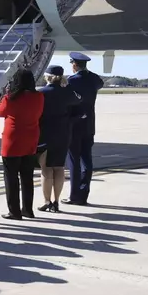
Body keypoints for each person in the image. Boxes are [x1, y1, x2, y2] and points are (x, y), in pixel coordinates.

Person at [0, 68, 44, 220]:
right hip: (30, 139)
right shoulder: (39, 97)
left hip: (13, 140)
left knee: (11, 177)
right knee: (27, 177)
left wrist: (6, 95)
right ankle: (27, 209)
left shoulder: (10, 98)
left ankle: (14, 211)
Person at [36, 65, 82, 213]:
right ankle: (56, 202)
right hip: (63, 134)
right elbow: (78, 101)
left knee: (46, 169)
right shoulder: (67, 93)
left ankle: (47, 201)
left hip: (45, 134)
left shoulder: (41, 93)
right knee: (59, 168)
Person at [63, 52, 104, 206]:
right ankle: (83, 193)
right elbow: (100, 83)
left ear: (74, 64)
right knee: (86, 159)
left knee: (74, 160)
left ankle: (74, 195)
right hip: (89, 124)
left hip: (75, 124)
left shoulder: (72, 81)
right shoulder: (94, 79)